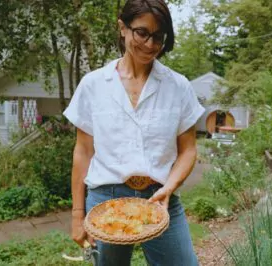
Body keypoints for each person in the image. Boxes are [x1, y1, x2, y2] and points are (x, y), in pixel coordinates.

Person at [63, 0, 205, 265]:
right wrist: (77, 215)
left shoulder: (178, 87)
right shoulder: (94, 85)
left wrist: (170, 187)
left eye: (158, 37)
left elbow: (188, 150)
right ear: (122, 28)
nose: (150, 45)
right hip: (106, 203)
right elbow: (83, 152)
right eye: (142, 32)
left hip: (161, 199)